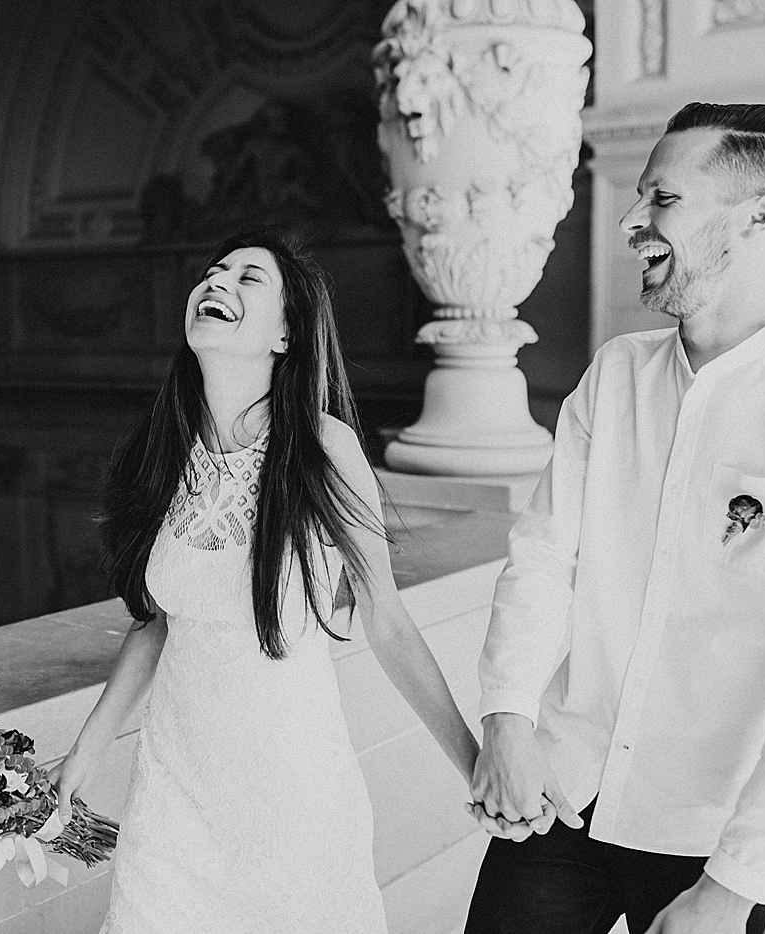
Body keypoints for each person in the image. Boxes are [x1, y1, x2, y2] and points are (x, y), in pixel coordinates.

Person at [465, 102, 765, 934]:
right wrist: (507, 719)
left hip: (707, 833)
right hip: (563, 787)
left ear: (759, 216)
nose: (631, 220)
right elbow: (543, 558)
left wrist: (735, 887)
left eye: (662, 198)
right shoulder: (614, 375)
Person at [51, 227, 480, 933]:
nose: (217, 282)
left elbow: (387, 620)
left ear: (285, 334)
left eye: (248, 277)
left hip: (289, 798)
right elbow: (158, 622)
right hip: (172, 798)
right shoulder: (162, 450)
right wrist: (82, 758)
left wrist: (475, 765)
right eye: (213, 271)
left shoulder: (322, 446)